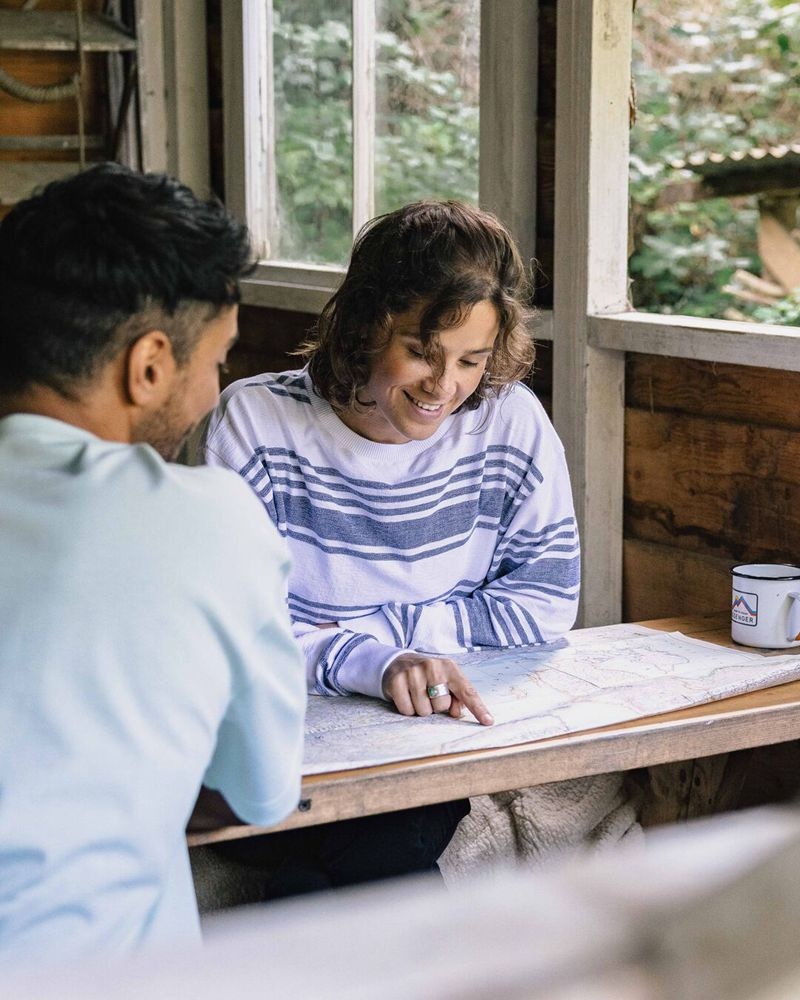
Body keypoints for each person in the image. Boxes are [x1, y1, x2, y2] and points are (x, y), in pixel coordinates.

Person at [198, 200, 580, 894]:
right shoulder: (254, 424)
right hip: (284, 731)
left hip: (426, 736)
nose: (445, 387)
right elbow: (237, 633)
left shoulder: (510, 421)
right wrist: (373, 661)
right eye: (421, 352)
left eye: (472, 359)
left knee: (386, 830)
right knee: (379, 845)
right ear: (366, 324)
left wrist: (397, 651)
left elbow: (546, 601)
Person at [0, 163, 307, 968]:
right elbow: (262, 788)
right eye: (217, 361)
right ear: (148, 365)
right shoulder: (209, 523)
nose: (217, 389)